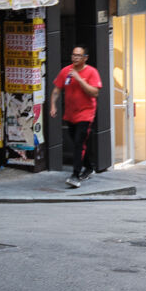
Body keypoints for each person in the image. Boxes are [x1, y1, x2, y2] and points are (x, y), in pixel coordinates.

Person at [50, 46, 102, 188]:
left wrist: (79, 79)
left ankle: (75, 175)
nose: (75, 58)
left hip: (86, 114)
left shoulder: (92, 72)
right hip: (70, 114)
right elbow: (57, 89)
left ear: (85, 57)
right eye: (74, 55)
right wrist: (53, 105)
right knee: (78, 143)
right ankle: (89, 167)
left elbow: (94, 93)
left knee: (79, 143)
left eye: (79, 55)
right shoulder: (65, 71)